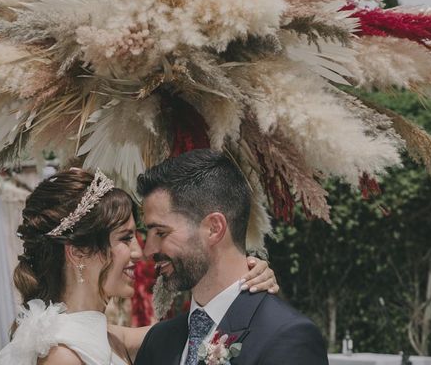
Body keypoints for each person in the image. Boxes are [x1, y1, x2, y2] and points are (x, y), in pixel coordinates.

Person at [0, 167, 278, 365]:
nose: (139, 252)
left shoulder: (106, 335)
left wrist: (243, 277)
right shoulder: (63, 356)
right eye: (125, 238)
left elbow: (196, 327)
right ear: (78, 252)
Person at [134, 149, 328, 365]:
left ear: (214, 228)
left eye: (161, 233)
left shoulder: (288, 337)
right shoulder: (158, 340)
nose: (148, 250)